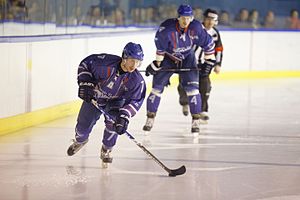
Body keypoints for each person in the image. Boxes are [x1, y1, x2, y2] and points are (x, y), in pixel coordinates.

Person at [67, 42, 146, 166]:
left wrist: (124, 116)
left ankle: (107, 149)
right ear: (124, 58)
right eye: (132, 60)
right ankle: (80, 141)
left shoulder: (137, 81)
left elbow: (136, 100)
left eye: (138, 62)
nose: (134, 65)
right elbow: (85, 64)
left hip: (116, 102)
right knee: (82, 127)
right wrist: (85, 82)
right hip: (95, 98)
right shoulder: (104, 64)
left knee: (114, 124)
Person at [142, 4, 215, 135]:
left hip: (188, 58)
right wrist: (157, 64)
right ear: (178, 17)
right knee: (156, 89)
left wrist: (209, 62)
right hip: (168, 59)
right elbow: (160, 50)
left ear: (192, 18)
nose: (185, 21)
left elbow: (208, 44)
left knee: (193, 91)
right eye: (183, 18)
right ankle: (150, 118)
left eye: (188, 18)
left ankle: (195, 120)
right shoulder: (166, 29)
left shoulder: (196, 27)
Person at [177, 8, 224, 124]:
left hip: (205, 64)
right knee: (184, 84)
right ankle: (185, 102)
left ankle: (202, 110)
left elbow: (219, 49)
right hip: (189, 62)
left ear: (216, 21)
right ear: (204, 19)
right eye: (208, 19)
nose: (210, 22)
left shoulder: (215, 33)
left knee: (205, 86)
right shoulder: (195, 29)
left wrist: (218, 64)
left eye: (212, 20)